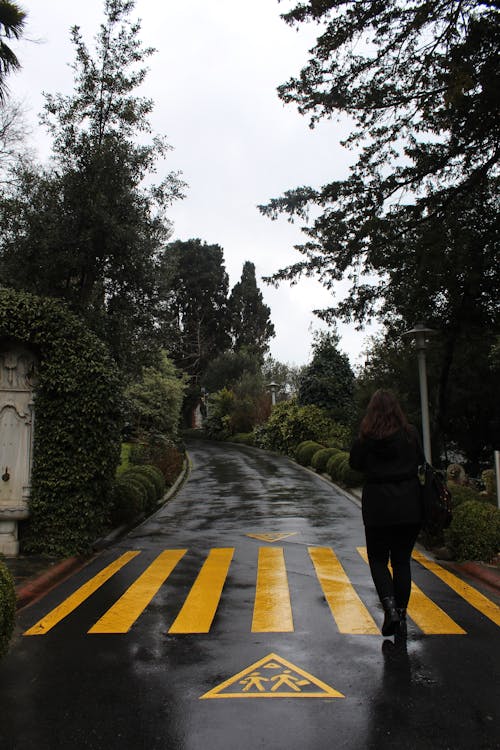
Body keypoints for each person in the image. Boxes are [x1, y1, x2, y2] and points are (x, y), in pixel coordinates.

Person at [349, 389, 424, 638]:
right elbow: (420, 461)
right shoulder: (410, 434)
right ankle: (401, 614)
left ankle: (390, 609)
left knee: (378, 560)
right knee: (402, 561)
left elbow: (354, 464)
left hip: (378, 506)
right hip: (409, 505)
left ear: (372, 412)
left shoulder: (366, 439)